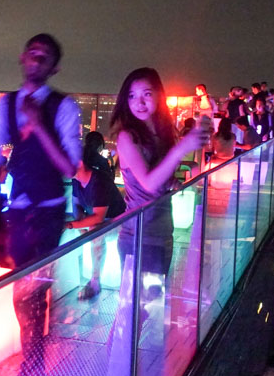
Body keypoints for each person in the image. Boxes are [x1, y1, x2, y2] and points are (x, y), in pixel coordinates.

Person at [0, 33, 82, 376]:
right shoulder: (5, 105)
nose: (37, 59)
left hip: (49, 210)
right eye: (33, 52)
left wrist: (38, 125)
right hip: (20, 210)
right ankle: (33, 366)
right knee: (25, 293)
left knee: (32, 292)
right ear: (22, 57)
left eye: (45, 56)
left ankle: (33, 369)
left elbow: (69, 167)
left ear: (54, 68)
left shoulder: (64, 107)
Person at [110, 67, 207, 280]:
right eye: (132, 96)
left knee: (153, 299)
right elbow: (148, 183)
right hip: (138, 234)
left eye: (146, 94)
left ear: (159, 96)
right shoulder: (127, 137)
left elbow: (158, 177)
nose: (139, 102)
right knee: (139, 300)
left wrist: (170, 182)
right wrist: (182, 148)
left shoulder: (162, 135)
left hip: (162, 231)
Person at [67, 156, 126, 300]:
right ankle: (72, 281)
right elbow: (77, 206)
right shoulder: (76, 181)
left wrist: (73, 225)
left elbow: (98, 217)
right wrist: (79, 224)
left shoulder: (99, 180)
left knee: (94, 231)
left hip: (119, 221)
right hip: (101, 220)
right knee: (87, 229)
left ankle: (95, 281)